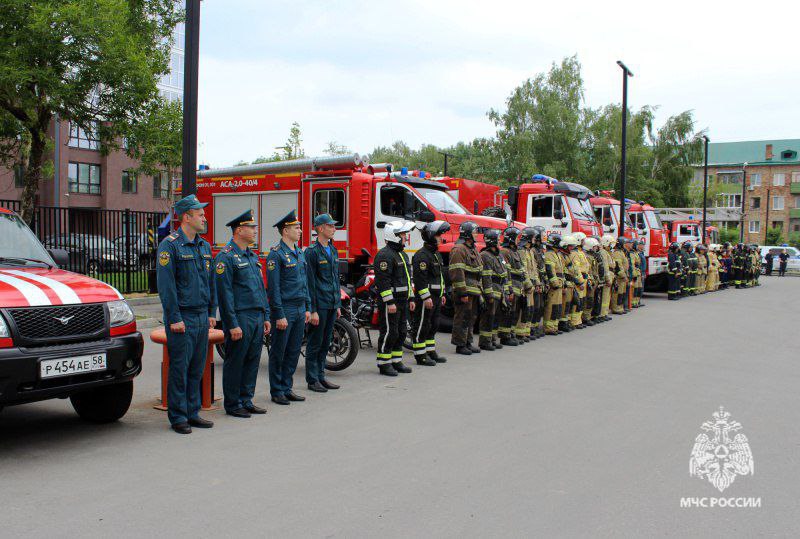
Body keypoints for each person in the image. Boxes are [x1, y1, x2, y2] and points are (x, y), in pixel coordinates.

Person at [156, 194, 217, 434]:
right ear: (186, 217)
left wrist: (212, 311)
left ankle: (193, 412)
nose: (204, 217)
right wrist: (174, 318)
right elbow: (167, 286)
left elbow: (210, 282)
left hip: (202, 315)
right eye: (200, 213)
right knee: (180, 369)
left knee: (196, 368)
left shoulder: (204, 245)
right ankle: (178, 416)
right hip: (183, 316)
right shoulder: (169, 245)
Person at [215, 209, 271, 418]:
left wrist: (266, 316)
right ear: (239, 230)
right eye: (251, 227)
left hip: (256, 316)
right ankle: (233, 403)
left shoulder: (252, 256)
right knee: (236, 361)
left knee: (252, 360)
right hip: (240, 317)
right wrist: (232, 324)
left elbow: (259, 288)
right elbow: (225, 294)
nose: (255, 230)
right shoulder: (226, 257)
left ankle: (246, 399)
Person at [266, 210, 311, 405]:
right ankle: (277, 390)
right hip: (285, 309)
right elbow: (273, 288)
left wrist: (308, 306)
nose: (300, 231)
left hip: (300, 309)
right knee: (279, 351)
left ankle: (287, 387)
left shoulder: (299, 252)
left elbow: (304, 282)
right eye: (296, 228)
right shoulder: (276, 255)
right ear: (285, 231)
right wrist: (279, 314)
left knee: (293, 351)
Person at [304, 214, 342, 392]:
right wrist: (312, 310)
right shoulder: (311, 252)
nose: (334, 228)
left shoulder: (333, 250)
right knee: (315, 343)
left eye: (334, 226)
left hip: (331, 303)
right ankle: (312, 380)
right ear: (320, 228)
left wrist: (338, 304)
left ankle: (321, 376)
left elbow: (335, 279)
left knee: (326, 342)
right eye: (330, 226)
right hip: (319, 306)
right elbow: (309, 283)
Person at [373, 220, 416, 375]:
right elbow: (383, 282)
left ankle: (396, 361)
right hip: (391, 302)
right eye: (403, 234)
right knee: (390, 332)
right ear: (395, 235)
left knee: (401, 331)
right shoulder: (384, 255)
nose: (405, 237)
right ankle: (384, 363)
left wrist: (411, 298)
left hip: (403, 300)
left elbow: (408, 279)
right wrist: (389, 301)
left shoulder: (402, 254)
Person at [410, 220, 450, 365]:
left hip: (437, 297)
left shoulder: (436, 254)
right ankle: (420, 355)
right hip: (427, 298)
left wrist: (443, 293)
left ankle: (430, 351)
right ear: (431, 236)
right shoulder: (422, 256)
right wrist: (426, 297)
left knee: (433, 325)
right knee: (422, 325)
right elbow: (420, 280)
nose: (441, 237)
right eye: (439, 234)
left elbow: (439, 276)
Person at [449, 221, 484, 355]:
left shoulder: (472, 248)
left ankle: (468, 342)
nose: (477, 234)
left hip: (474, 290)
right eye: (475, 232)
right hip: (465, 292)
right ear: (468, 234)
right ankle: (460, 344)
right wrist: (462, 293)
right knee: (462, 317)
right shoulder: (459, 249)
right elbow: (457, 273)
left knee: (471, 317)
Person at [478, 228, 508, 351]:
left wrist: (505, 291)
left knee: (496, 316)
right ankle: (485, 341)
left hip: (499, 290)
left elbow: (505, 272)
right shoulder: (485, 255)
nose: (500, 242)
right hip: (492, 291)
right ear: (493, 241)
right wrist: (489, 295)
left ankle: (493, 339)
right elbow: (486, 276)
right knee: (488, 317)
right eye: (498, 239)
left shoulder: (499, 255)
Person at [499, 227, 525, 344]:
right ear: (511, 239)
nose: (518, 240)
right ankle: (505, 336)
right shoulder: (505, 252)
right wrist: (508, 290)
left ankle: (511, 333)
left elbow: (521, 268)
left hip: (518, 286)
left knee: (515, 312)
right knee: (508, 312)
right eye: (517, 238)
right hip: (512, 286)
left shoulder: (515, 252)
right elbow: (507, 272)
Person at [517, 230, 538, 341]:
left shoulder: (529, 251)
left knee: (529, 309)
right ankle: (520, 332)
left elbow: (533, 269)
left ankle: (526, 331)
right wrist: (528, 284)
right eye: (533, 238)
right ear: (529, 239)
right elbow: (523, 269)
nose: (535, 240)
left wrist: (537, 282)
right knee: (523, 309)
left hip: (531, 285)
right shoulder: (522, 251)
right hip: (524, 286)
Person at [543, 233, 566, 335]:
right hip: (555, 286)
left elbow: (562, 270)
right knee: (551, 306)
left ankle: (554, 326)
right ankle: (548, 327)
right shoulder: (549, 254)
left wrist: (563, 283)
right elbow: (550, 271)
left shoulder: (557, 254)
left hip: (560, 285)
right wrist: (555, 283)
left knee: (557, 307)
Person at [529, 227, 549, 338]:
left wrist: (545, 281)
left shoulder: (540, 250)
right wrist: (538, 283)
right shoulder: (532, 250)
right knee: (535, 306)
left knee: (540, 306)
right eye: (542, 235)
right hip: (536, 282)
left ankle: (535, 327)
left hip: (541, 281)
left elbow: (542, 267)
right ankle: (531, 328)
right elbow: (535, 268)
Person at [564, 234, 587, 329]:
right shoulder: (574, 253)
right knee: (575, 303)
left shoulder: (580, 252)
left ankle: (577, 320)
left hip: (582, 279)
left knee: (580, 302)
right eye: (583, 240)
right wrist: (580, 282)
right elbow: (575, 270)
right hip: (578, 280)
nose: (584, 242)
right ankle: (574, 321)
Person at [610, 238, 630, 314]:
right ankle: (616, 308)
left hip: (623, 277)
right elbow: (618, 266)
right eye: (624, 244)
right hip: (619, 277)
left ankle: (620, 307)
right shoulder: (617, 253)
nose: (626, 245)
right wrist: (623, 275)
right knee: (617, 293)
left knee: (621, 293)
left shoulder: (621, 252)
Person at [598, 235, 615, 319]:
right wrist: (607, 278)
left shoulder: (608, 252)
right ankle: (602, 313)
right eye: (611, 244)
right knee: (604, 296)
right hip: (607, 276)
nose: (612, 246)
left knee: (607, 295)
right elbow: (605, 266)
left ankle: (605, 313)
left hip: (610, 275)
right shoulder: (603, 252)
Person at [636, 239, 647, 306]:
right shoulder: (638, 254)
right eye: (642, 245)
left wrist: (644, 272)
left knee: (641, 287)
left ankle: (639, 301)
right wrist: (641, 273)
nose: (643, 246)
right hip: (640, 273)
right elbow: (638, 264)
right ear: (639, 245)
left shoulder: (641, 253)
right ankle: (637, 301)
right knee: (639, 288)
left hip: (642, 272)